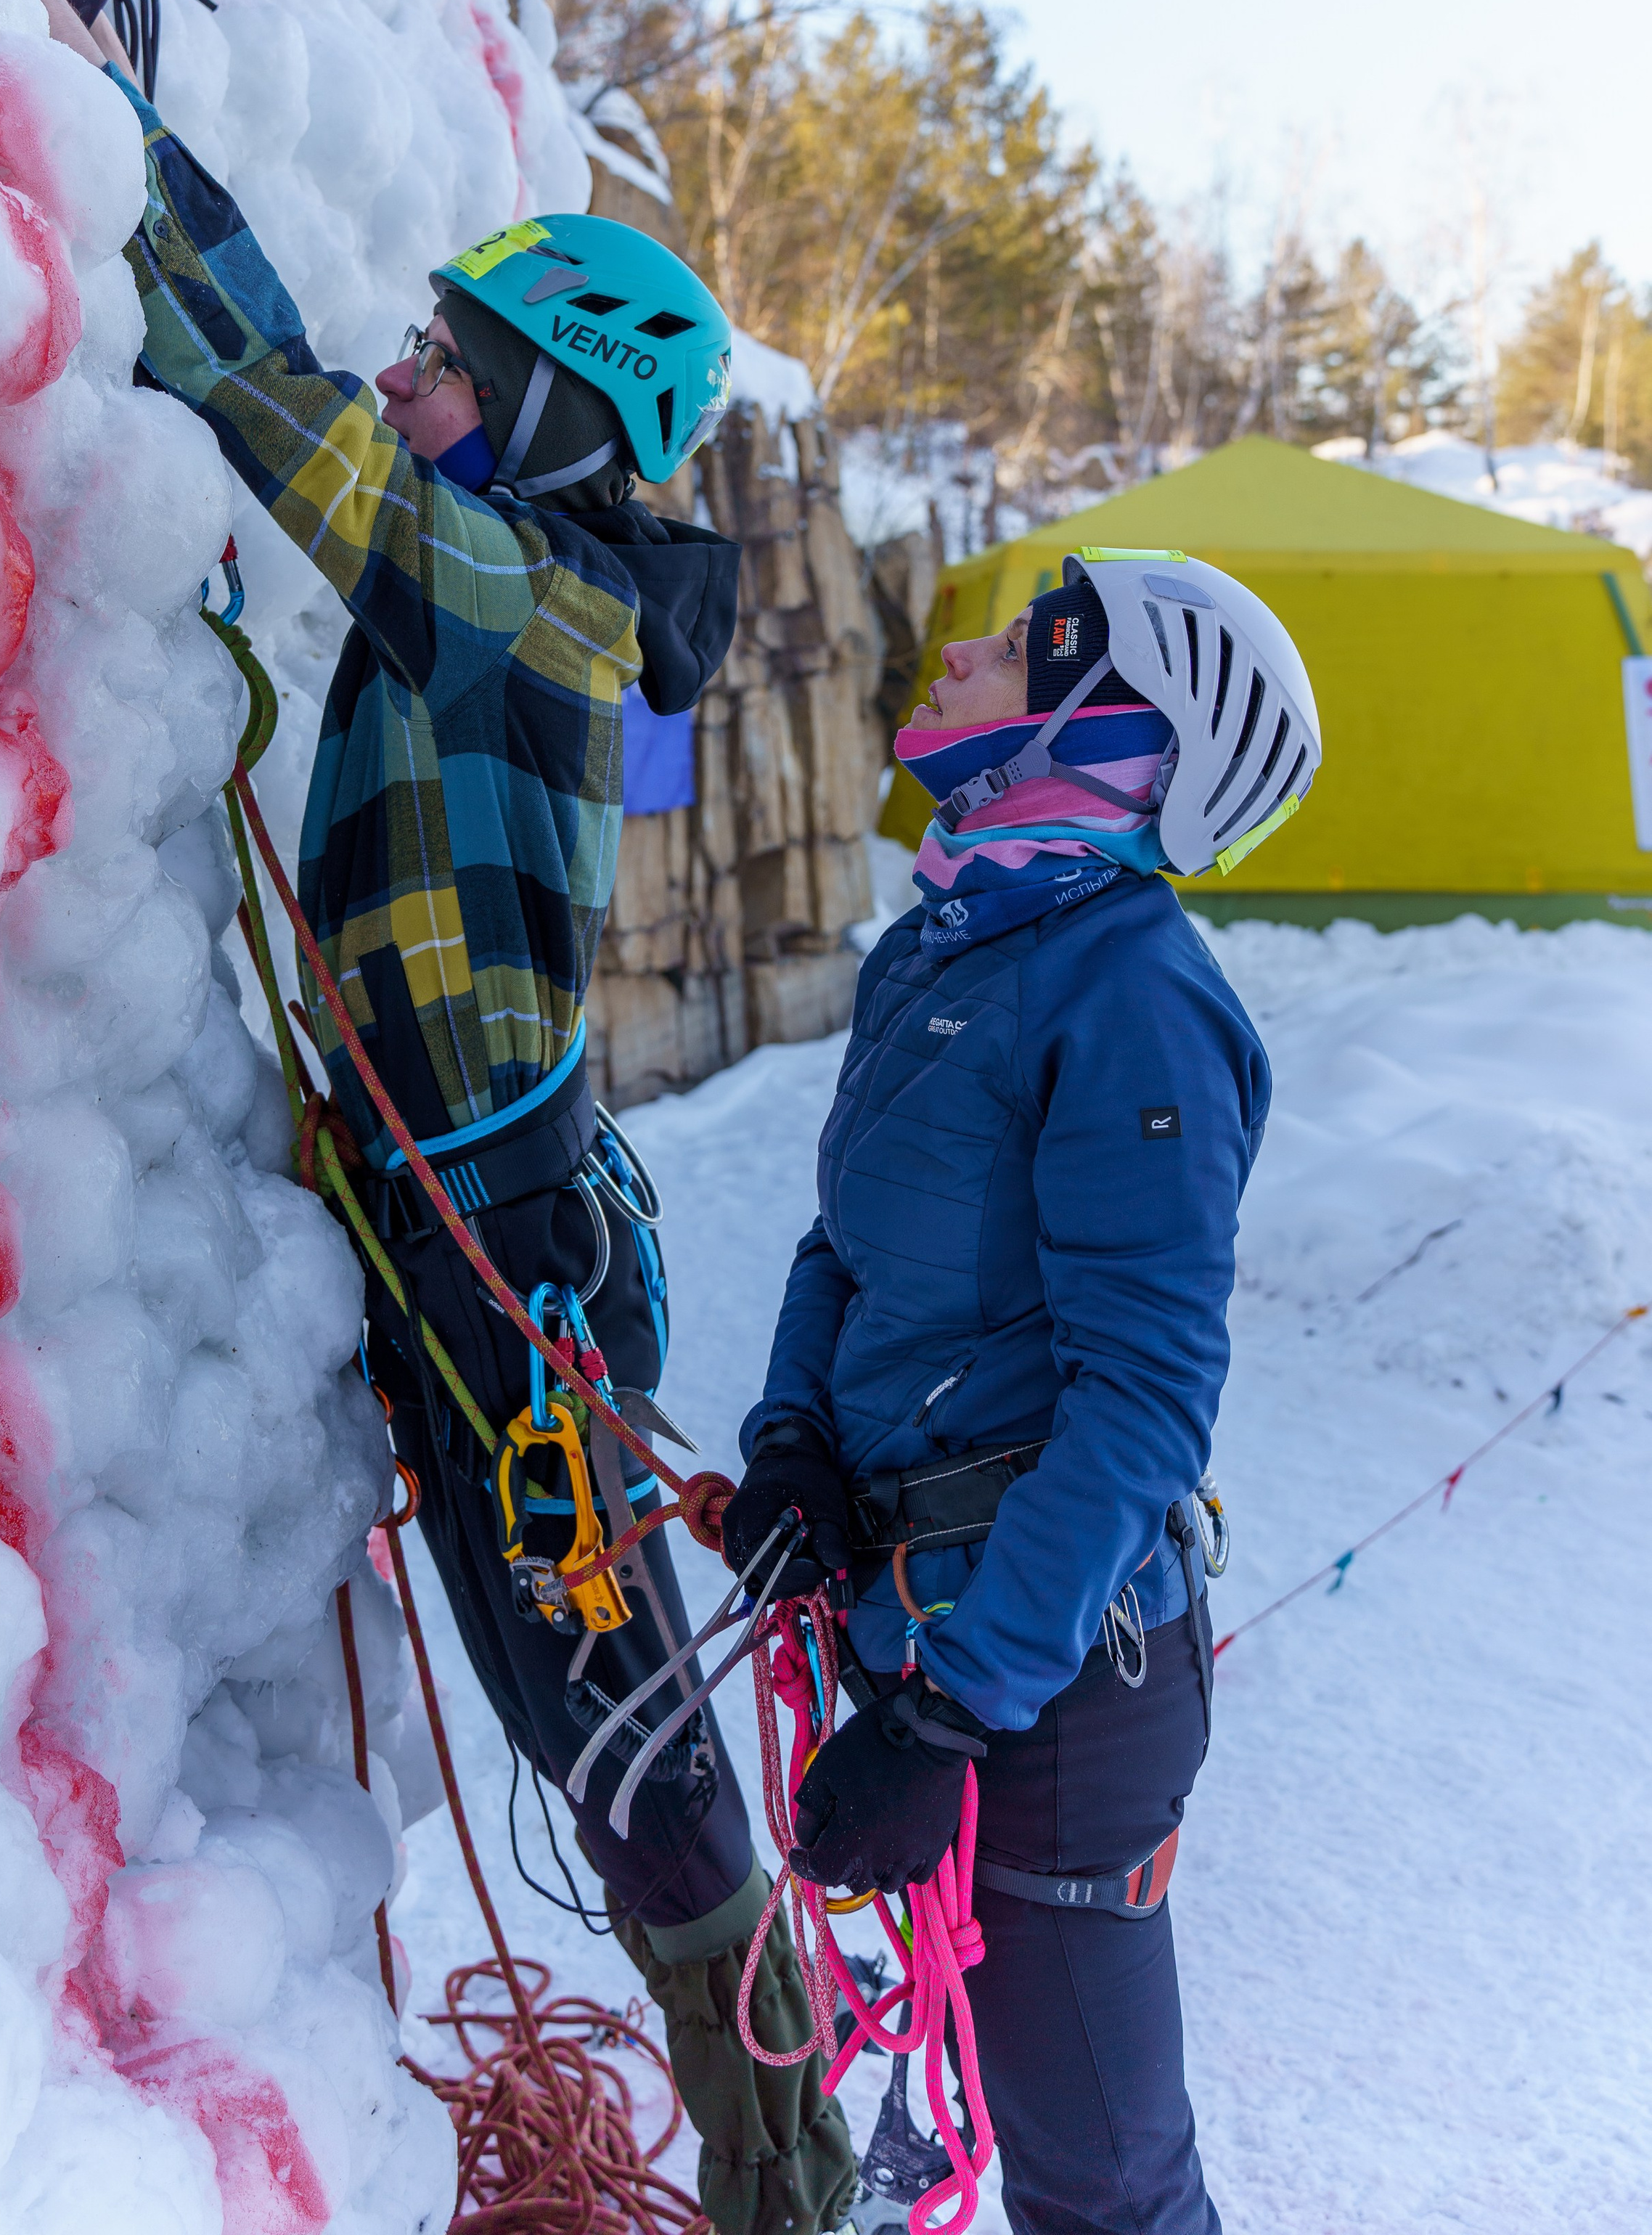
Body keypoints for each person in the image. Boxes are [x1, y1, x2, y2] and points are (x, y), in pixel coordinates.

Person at [27, 0, 855, 2235]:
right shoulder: (506, 588)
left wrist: (123, 137)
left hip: (511, 1277)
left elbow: (304, 427)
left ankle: (792, 2160)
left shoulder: (543, 606)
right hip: (448, 1235)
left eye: (455, 361)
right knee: (557, 1698)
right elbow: (346, 429)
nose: (412, 375)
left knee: (607, 1724)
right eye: (419, 349)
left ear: (554, 424)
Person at [722, 552, 1322, 2235]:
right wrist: (788, 1445)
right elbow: (843, 1245)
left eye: (1037, 641)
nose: (971, 644)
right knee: (1000, 2109)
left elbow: (1143, 1397)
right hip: (922, 1627)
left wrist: (943, 1715)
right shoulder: (946, 948)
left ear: (1120, 729)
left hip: (1052, 1685)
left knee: (1103, 2183)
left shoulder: (1132, 995)